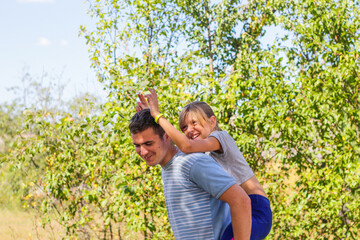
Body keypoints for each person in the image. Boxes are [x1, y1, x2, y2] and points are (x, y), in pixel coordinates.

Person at [137, 89, 272, 240]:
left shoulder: (220, 138)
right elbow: (167, 144)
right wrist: (150, 120)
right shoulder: (200, 151)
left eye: (194, 123)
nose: (189, 130)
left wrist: (157, 115)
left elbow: (185, 145)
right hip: (244, 207)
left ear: (212, 121)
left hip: (257, 209)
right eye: (184, 128)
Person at [129, 109, 252, 240]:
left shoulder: (194, 163)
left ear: (166, 136)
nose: (143, 152)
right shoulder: (168, 167)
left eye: (148, 143)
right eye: (137, 145)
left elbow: (241, 200)